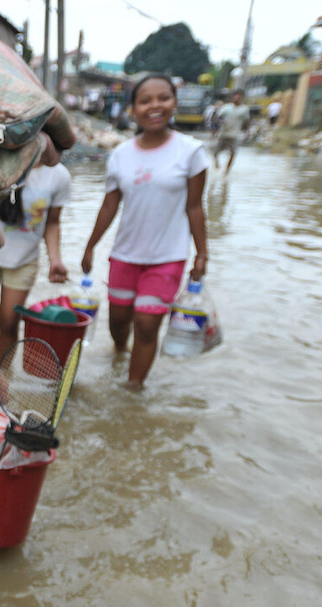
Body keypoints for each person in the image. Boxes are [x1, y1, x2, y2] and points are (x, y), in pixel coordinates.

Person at [80, 74, 209, 389]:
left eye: (163, 98)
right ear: (133, 109)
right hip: (125, 254)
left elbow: (195, 207)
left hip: (168, 256)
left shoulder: (191, 151)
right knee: (118, 323)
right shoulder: (121, 154)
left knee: (147, 324)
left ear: (174, 103)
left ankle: (132, 390)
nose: (155, 106)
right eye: (145, 100)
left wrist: (202, 253)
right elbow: (110, 205)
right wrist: (90, 246)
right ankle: (120, 353)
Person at [0, 154, 72, 361]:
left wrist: (55, 259)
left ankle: (2, 378)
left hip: (25, 259)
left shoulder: (58, 175)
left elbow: (53, 222)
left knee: (9, 322)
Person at [213, 91, 250, 173]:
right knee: (215, 153)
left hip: (235, 135)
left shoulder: (244, 109)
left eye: (239, 97)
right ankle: (216, 164)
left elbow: (247, 121)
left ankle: (226, 171)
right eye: (235, 97)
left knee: (233, 153)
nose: (237, 99)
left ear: (241, 98)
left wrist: (247, 132)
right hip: (223, 133)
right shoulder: (226, 108)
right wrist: (220, 122)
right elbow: (217, 118)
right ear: (232, 97)